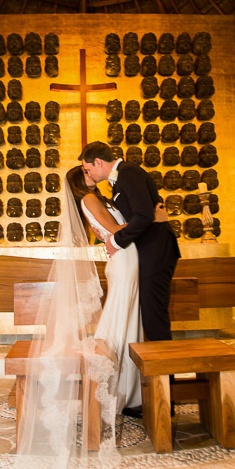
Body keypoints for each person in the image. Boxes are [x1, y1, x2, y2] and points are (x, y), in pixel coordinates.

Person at [80, 142, 181, 415]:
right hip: (148, 253)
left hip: (157, 253)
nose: (89, 174)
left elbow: (145, 216)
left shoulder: (129, 173)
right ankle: (159, 390)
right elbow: (146, 214)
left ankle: (166, 398)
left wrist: (117, 240)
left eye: (89, 169)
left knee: (155, 321)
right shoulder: (119, 180)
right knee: (151, 319)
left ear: (99, 162)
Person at [66, 166, 167, 412]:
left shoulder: (97, 197)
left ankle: (128, 387)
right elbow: (117, 231)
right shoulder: (88, 199)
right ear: (80, 180)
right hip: (123, 259)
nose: (91, 173)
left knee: (129, 318)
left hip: (128, 256)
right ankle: (118, 389)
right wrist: (153, 220)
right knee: (122, 318)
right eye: (86, 172)